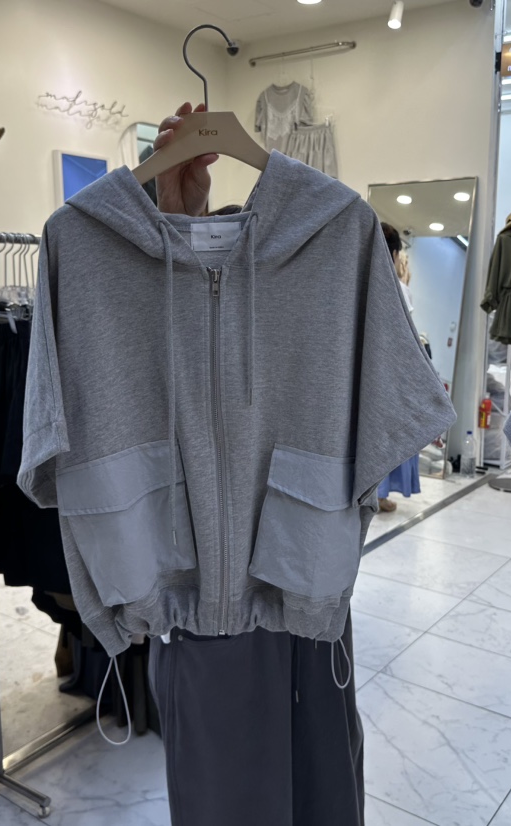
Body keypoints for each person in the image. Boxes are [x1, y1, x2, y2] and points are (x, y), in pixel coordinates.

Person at [148, 102, 365, 826]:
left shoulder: (341, 239)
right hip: (201, 608)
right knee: (227, 797)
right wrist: (173, 226)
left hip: (308, 596)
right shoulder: (104, 260)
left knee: (321, 788)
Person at [376, 222, 422, 512]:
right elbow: (405, 337)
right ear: (394, 255)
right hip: (389, 369)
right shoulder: (400, 290)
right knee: (387, 432)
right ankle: (379, 494)